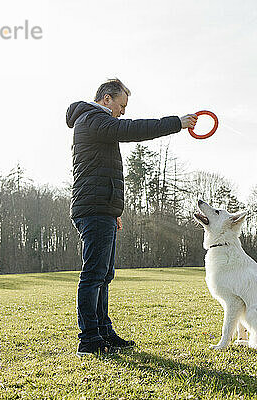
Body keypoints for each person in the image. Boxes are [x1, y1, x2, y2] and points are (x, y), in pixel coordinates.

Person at [65, 78, 197, 356]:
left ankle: (103, 331)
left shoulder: (96, 122)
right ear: (106, 99)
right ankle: (89, 340)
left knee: (104, 275)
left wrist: (114, 211)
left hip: (103, 210)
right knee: (93, 275)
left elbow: (102, 171)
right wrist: (177, 122)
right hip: (93, 210)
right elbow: (132, 129)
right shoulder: (92, 119)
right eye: (121, 105)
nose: (123, 111)